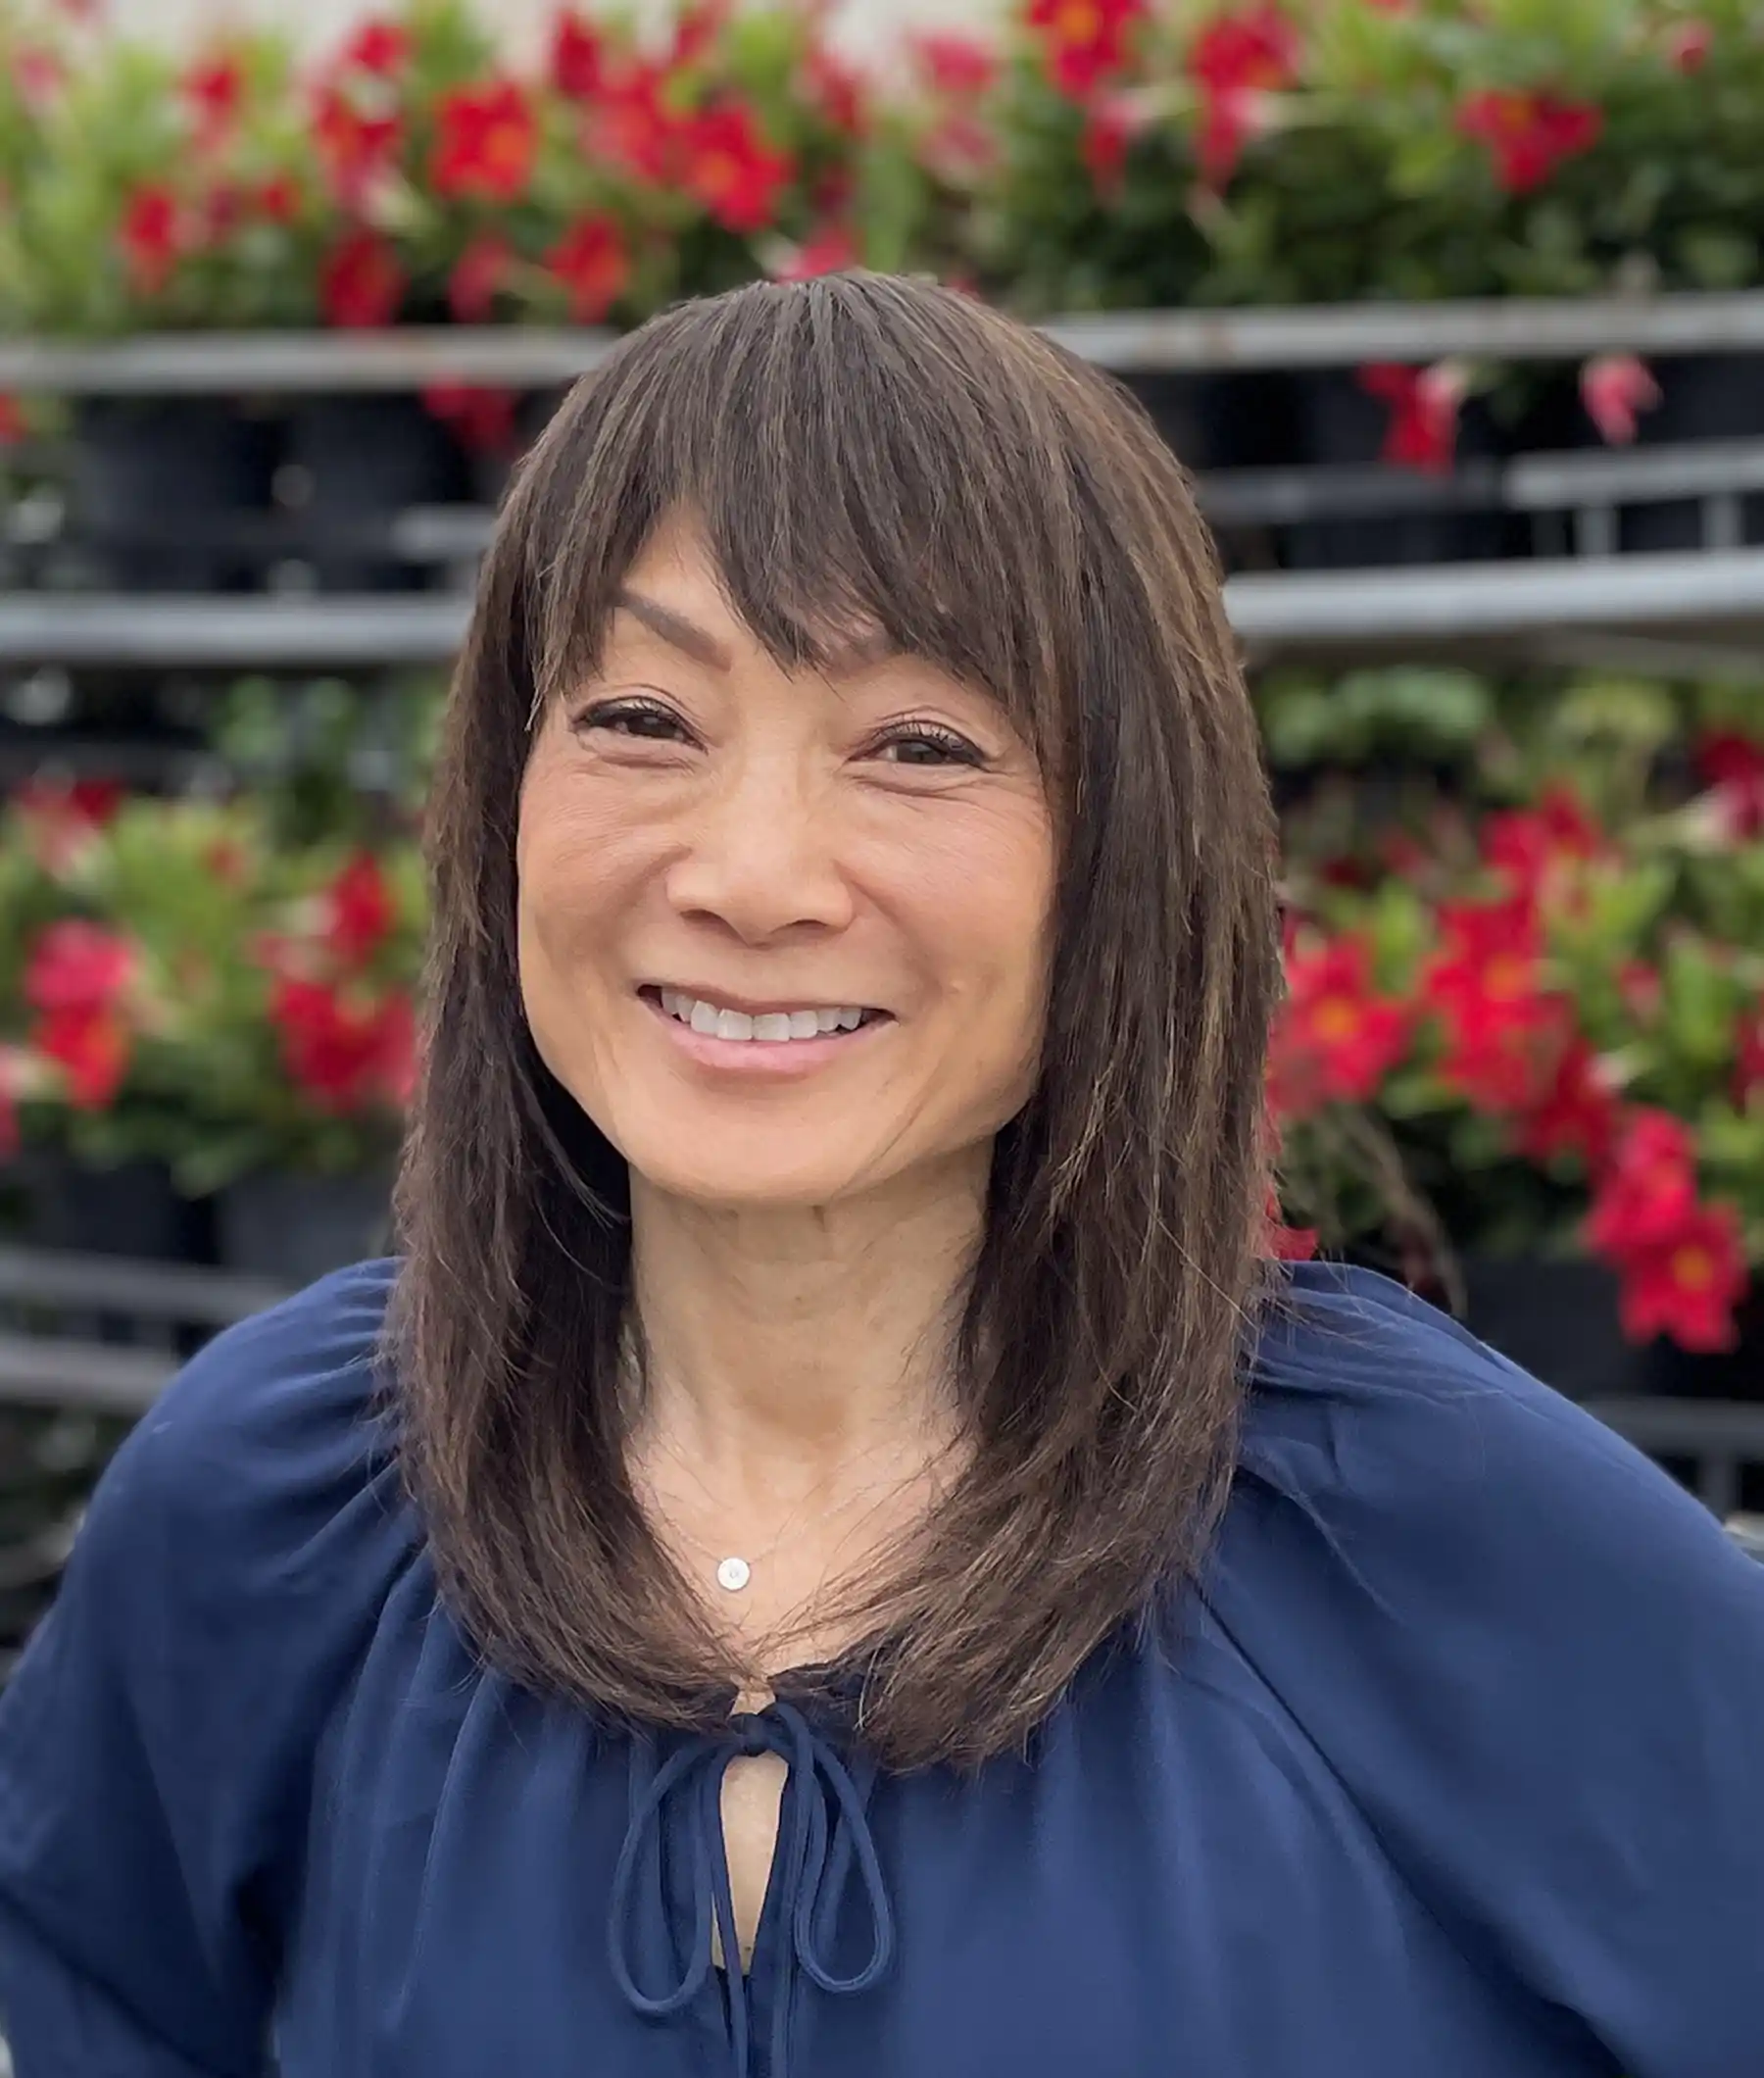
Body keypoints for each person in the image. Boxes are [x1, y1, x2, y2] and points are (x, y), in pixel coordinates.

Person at [0, 272, 1760, 2078]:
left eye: (918, 747)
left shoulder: (1426, 1537)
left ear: (1124, 864)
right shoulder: (276, 1508)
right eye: (642, 720)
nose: (755, 875)